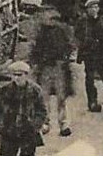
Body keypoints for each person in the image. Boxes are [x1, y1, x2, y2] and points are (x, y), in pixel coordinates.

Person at [28, 9, 74, 138]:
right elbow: (35, 50)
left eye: (52, 19)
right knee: (43, 97)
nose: (50, 21)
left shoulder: (61, 32)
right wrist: (35, 63)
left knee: (61, 97)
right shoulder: (41, 33)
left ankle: (64, 123)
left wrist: (64, 59)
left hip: (59, 68)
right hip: (45, 68)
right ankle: (45, 123)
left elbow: (69, 47)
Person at [0, 62, 48, 155]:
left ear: (26, 75)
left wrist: (34, 126)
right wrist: (2, 126)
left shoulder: (35, 90)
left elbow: (41, 110)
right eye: (13, 75)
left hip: (27, 131)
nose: (16, 78)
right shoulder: (5, 90)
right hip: (9, 131)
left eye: (19, 75)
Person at [74, 0, 103, 114]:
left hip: (102, 52)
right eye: (92, 7)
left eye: (96, 7)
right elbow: (77, 36)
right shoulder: (82, 21)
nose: (95, 10)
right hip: (89, 53)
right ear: (87, 9)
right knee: (90, 77)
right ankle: (92, 102)